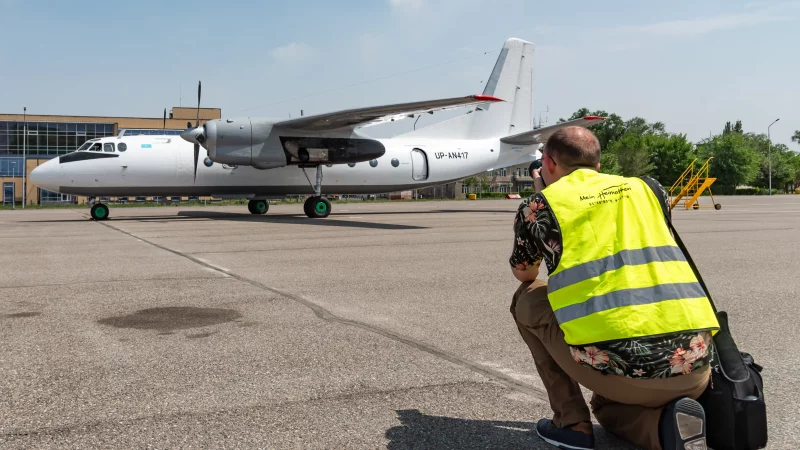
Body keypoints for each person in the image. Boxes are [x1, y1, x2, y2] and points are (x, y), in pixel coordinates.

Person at [509, 127, 719, 450]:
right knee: (619, 402)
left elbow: (525, 273)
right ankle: (671, 427)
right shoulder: (649, 188)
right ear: (597, 164)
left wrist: (542, 197)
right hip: (695, 367)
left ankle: (571, 423)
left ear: (548, 164)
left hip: (622, 376)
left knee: (525, 301)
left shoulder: (539, 206)